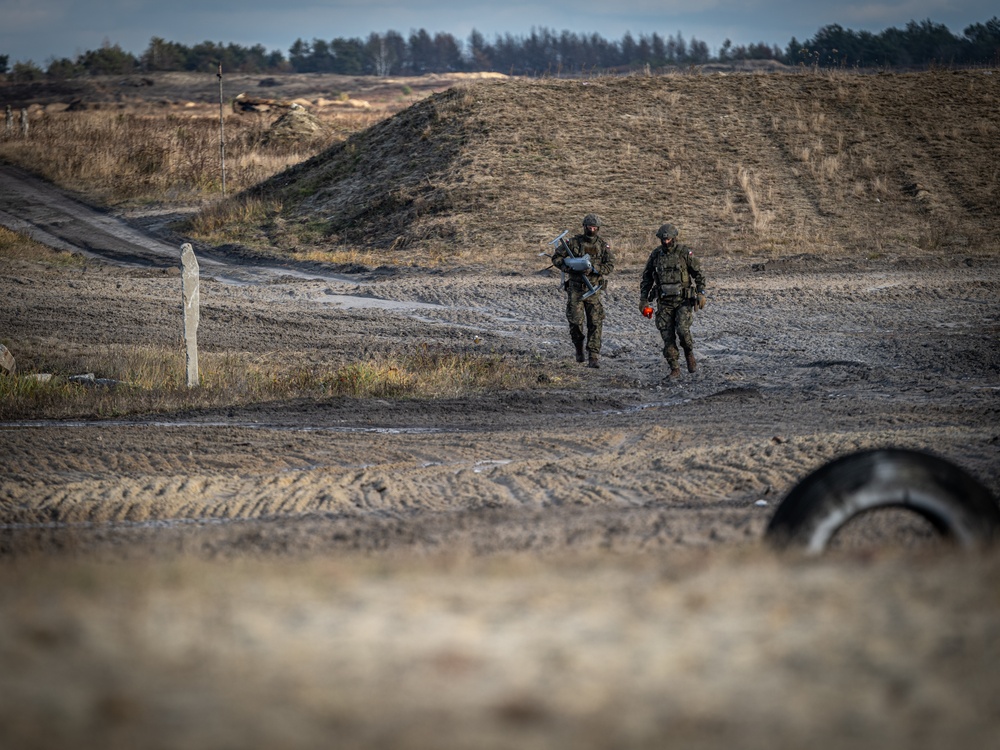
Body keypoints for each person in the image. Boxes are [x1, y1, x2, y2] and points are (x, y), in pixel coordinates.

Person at [639, 223, 707, 378]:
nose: (666, 242)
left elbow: (699, 274)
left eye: (669, 239)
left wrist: (701, 292)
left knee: (682, 331)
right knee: (667, 335)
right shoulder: (656, 255)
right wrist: (644, 300)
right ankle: (674, 368)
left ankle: (689, 353)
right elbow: (647, 278)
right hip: (664, 302)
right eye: (663, 239)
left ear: (674, 237)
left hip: (683, 300)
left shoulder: (684, 253)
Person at [552, 213, 615, 368]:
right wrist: (567, 266)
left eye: (594, 227)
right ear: (584, 227)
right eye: (589, 227)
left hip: (593, 290)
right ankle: (579, 348)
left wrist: (594, 269)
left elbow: (610, 265)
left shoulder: (602, 246)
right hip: (575, 290)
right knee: (575, 322)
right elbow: (556, 257)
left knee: (595, 322)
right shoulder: (573, 243)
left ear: (598, 228)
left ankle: (593, 355)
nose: (591, 230)